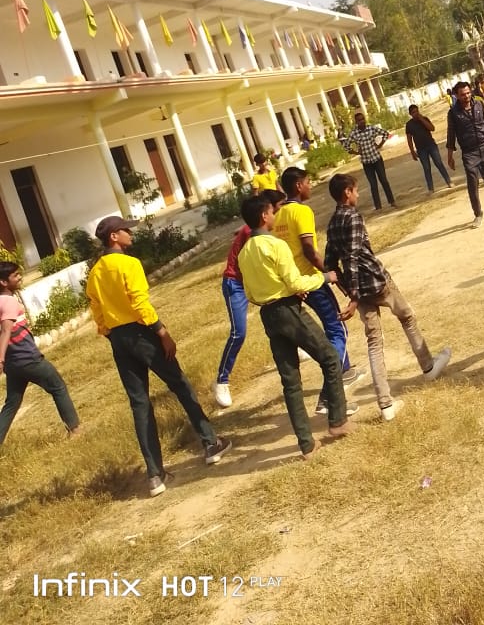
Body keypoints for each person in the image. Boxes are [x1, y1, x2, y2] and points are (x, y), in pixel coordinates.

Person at [86, 216, 230, 497]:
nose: (130, 234)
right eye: (126, 230)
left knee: (139, 403)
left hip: (118, 339)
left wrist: (111, 333)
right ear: (114, 236)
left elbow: (97, 310)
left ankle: (155, 474)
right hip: (143, 333)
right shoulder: (129, 264)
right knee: (180, 384)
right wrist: (161, 332)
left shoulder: (96, 272)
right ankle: (210, 443)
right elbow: (139, 302)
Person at [324, 173, 451, 420]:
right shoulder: (353, 217)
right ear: (347, 192)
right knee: (407, 317)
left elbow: (331, 265)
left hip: (359, 292)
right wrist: (353, 298)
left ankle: (385, 404)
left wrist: (349, 291)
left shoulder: (331, 224)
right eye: (355, 190)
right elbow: (352, 258)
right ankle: (428, 366)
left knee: (374, 342)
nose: (358, 194)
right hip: (376, 282)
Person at [238, 194, 354, 459]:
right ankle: (338, 420)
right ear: (264, 216)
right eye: (272, 212)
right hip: (288, 309)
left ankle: (306, 444)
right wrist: (325, 277)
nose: (274, 215)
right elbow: (296, 283)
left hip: (268, 314)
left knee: (290, 381)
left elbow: (250, 293)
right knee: (330, 358)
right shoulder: (275, 245)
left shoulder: (244, 252)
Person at [274, 167, 364, 414]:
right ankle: (328, 397)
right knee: (338, 330)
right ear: (298, 186)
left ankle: (345, 369)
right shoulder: (301, 211)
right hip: (311, 280)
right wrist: (331, 274)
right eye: (307, 182)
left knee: (331, 329)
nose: (310, 186)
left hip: (294, 283)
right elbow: (309, 251)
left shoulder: (278, 215)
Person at [213, 188, 286, 408]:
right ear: (265, 213)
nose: (277, 213)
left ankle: (295, 347)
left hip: (249, 279)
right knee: (239, 332)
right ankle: (221, 381)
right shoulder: (251, 232)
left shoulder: (259, 230)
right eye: (276, 209)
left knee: (279, 309)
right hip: (235, 283)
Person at [0, 263, 82, 445]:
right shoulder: (8, 301)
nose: (20, 277)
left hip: (13, 364)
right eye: (15, 275)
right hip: (27, 358)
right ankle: (75, 430)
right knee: (58, 387)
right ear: (4, 282)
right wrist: (1, 358)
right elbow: (6, 331)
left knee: (12, 404)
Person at [446, 80, 484, 228]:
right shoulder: (453, 113)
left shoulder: (480, 105)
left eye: (468, 93)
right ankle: (478, 214)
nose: (467, 96)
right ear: (457, 96)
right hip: (469, 153)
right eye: (463, 94)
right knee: (473, 184)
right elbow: (451, 135)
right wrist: (450, 157)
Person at [345, 112, 396, 210]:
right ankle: (378, 206)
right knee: (373, 184)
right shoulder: (354, 133)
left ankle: (392, 201)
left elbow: (385, 134)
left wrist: (380, 145)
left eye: (363, 119)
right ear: (356, 122)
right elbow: (346, 145)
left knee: (384, 180)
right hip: (366, 162)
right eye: (359, 120)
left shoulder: (371, 128)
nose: (362, 121)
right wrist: (356, 152)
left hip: (376, 158)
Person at [405, 105, 453, 193]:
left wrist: (422, 119)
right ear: (410, 114)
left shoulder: (424, 119)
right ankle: (431, 188)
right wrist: (412, 152)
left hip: (431, 145)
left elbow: (432, 128)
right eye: (413, 112)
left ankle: (449, 181)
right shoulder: (409, 125)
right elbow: (409, 139)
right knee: (426, 168)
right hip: (421, 149)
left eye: (417, 111)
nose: (416, 114)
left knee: (439, 163)